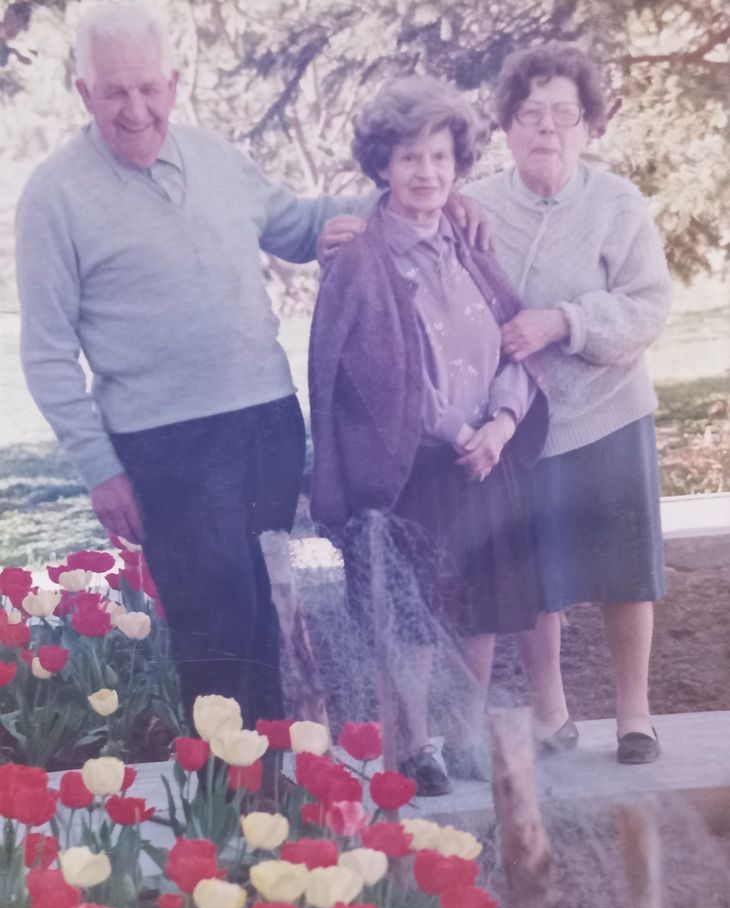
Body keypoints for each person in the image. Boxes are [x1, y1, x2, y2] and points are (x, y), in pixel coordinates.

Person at [15, 1, 487, 729]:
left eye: (148, 88)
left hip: (264, 421)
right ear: (83, 93)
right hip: (164, 443)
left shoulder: (217, 158)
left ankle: (289, 782)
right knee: (215, 619)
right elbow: (45, 353)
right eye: (115, 92)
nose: (136, 108)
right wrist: (100, 467)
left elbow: (300, 225)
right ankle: (236, 801)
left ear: (172, 83)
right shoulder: (53, 196)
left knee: (277, 608)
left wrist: (421, 192)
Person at [309, 76, 548, 795]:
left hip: (485, 461)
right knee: (413, 622)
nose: (428, 174)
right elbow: (343, 381)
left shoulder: (471, 241)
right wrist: (454, 430)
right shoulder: (358, 259)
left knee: (482, 608)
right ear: (382, 165)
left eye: (441, 158)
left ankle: (465, 732)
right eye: (410, 158)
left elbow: (518, 345)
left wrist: (501, 425)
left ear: (458, 164)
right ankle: (417, 745)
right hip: (409, 468)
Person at [466, 42, 671, 763]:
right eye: (529, 114)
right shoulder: (477, 206)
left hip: (612, 408)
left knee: (625, 567)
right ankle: (551, 712)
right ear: (508, 126)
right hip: (524, 421)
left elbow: (649, 306)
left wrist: (565, 322)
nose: (546, 129)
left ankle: (633, 715)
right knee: (539, 575)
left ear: (589, 126)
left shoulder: (616, 202)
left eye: (563, 114)